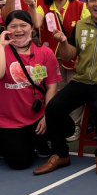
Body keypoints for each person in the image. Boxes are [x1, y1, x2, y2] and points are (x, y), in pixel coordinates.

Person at [36, 0, 97, 176]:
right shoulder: (81, 25)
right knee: (53, 107)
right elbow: (69, 56)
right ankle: (61, 154)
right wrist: (63, 43)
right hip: (82, 80)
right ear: (87, 4)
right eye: (92, 0)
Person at [0, 11, 61, 169]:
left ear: (32, 28)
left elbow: (51, 85)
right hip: (9, 121)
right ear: (6, 30)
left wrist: (47, 115)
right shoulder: (2, 51)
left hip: (37, 117)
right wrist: (0, 46)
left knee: (63, 123)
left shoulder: (45, 53)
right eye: (13, 26)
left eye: (23, 25)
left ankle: (36, 141)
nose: (18, 30)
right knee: (19, 163)